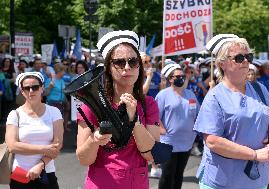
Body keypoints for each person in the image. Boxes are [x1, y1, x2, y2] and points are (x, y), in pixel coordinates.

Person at [194, 34, 269, 189]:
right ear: (222, 64)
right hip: (224, 182)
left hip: (257, 179)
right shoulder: (214, 96)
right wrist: (254, 155)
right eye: (239, 58)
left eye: (248, 56)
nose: (246, 61)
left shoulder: (259, 89)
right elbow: (212, 141)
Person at [76, 30, 160, 189]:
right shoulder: (91, 106)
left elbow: (150, 155)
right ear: (108, 67)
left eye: (133, 61)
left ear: (139, 67)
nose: (127, 67)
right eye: (120, 62)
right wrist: (94, 140)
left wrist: (134, 121)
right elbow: (83, 159)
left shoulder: (149, 104)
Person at [5, 72, 64, 189]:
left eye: (35, 87)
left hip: (47, 170)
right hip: (20, 172)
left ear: (42, 88)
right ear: (22, 92)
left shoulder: (54, 112)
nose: (31, 91)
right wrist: (44, 148)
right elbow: (12, 146)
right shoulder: (15, 114)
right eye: (26, 88)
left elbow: (57, 145)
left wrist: (40, 165)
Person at [155, 63, 200, 189]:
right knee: (168, 174)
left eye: (182, 76)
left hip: (186, 142)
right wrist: (161, 129)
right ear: (170, 79)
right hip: (168, 142)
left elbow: (198, 114)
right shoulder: (163, 95)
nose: (181, 78)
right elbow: (155, 116)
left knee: (179, 174)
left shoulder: (190, 94)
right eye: (177, 76)